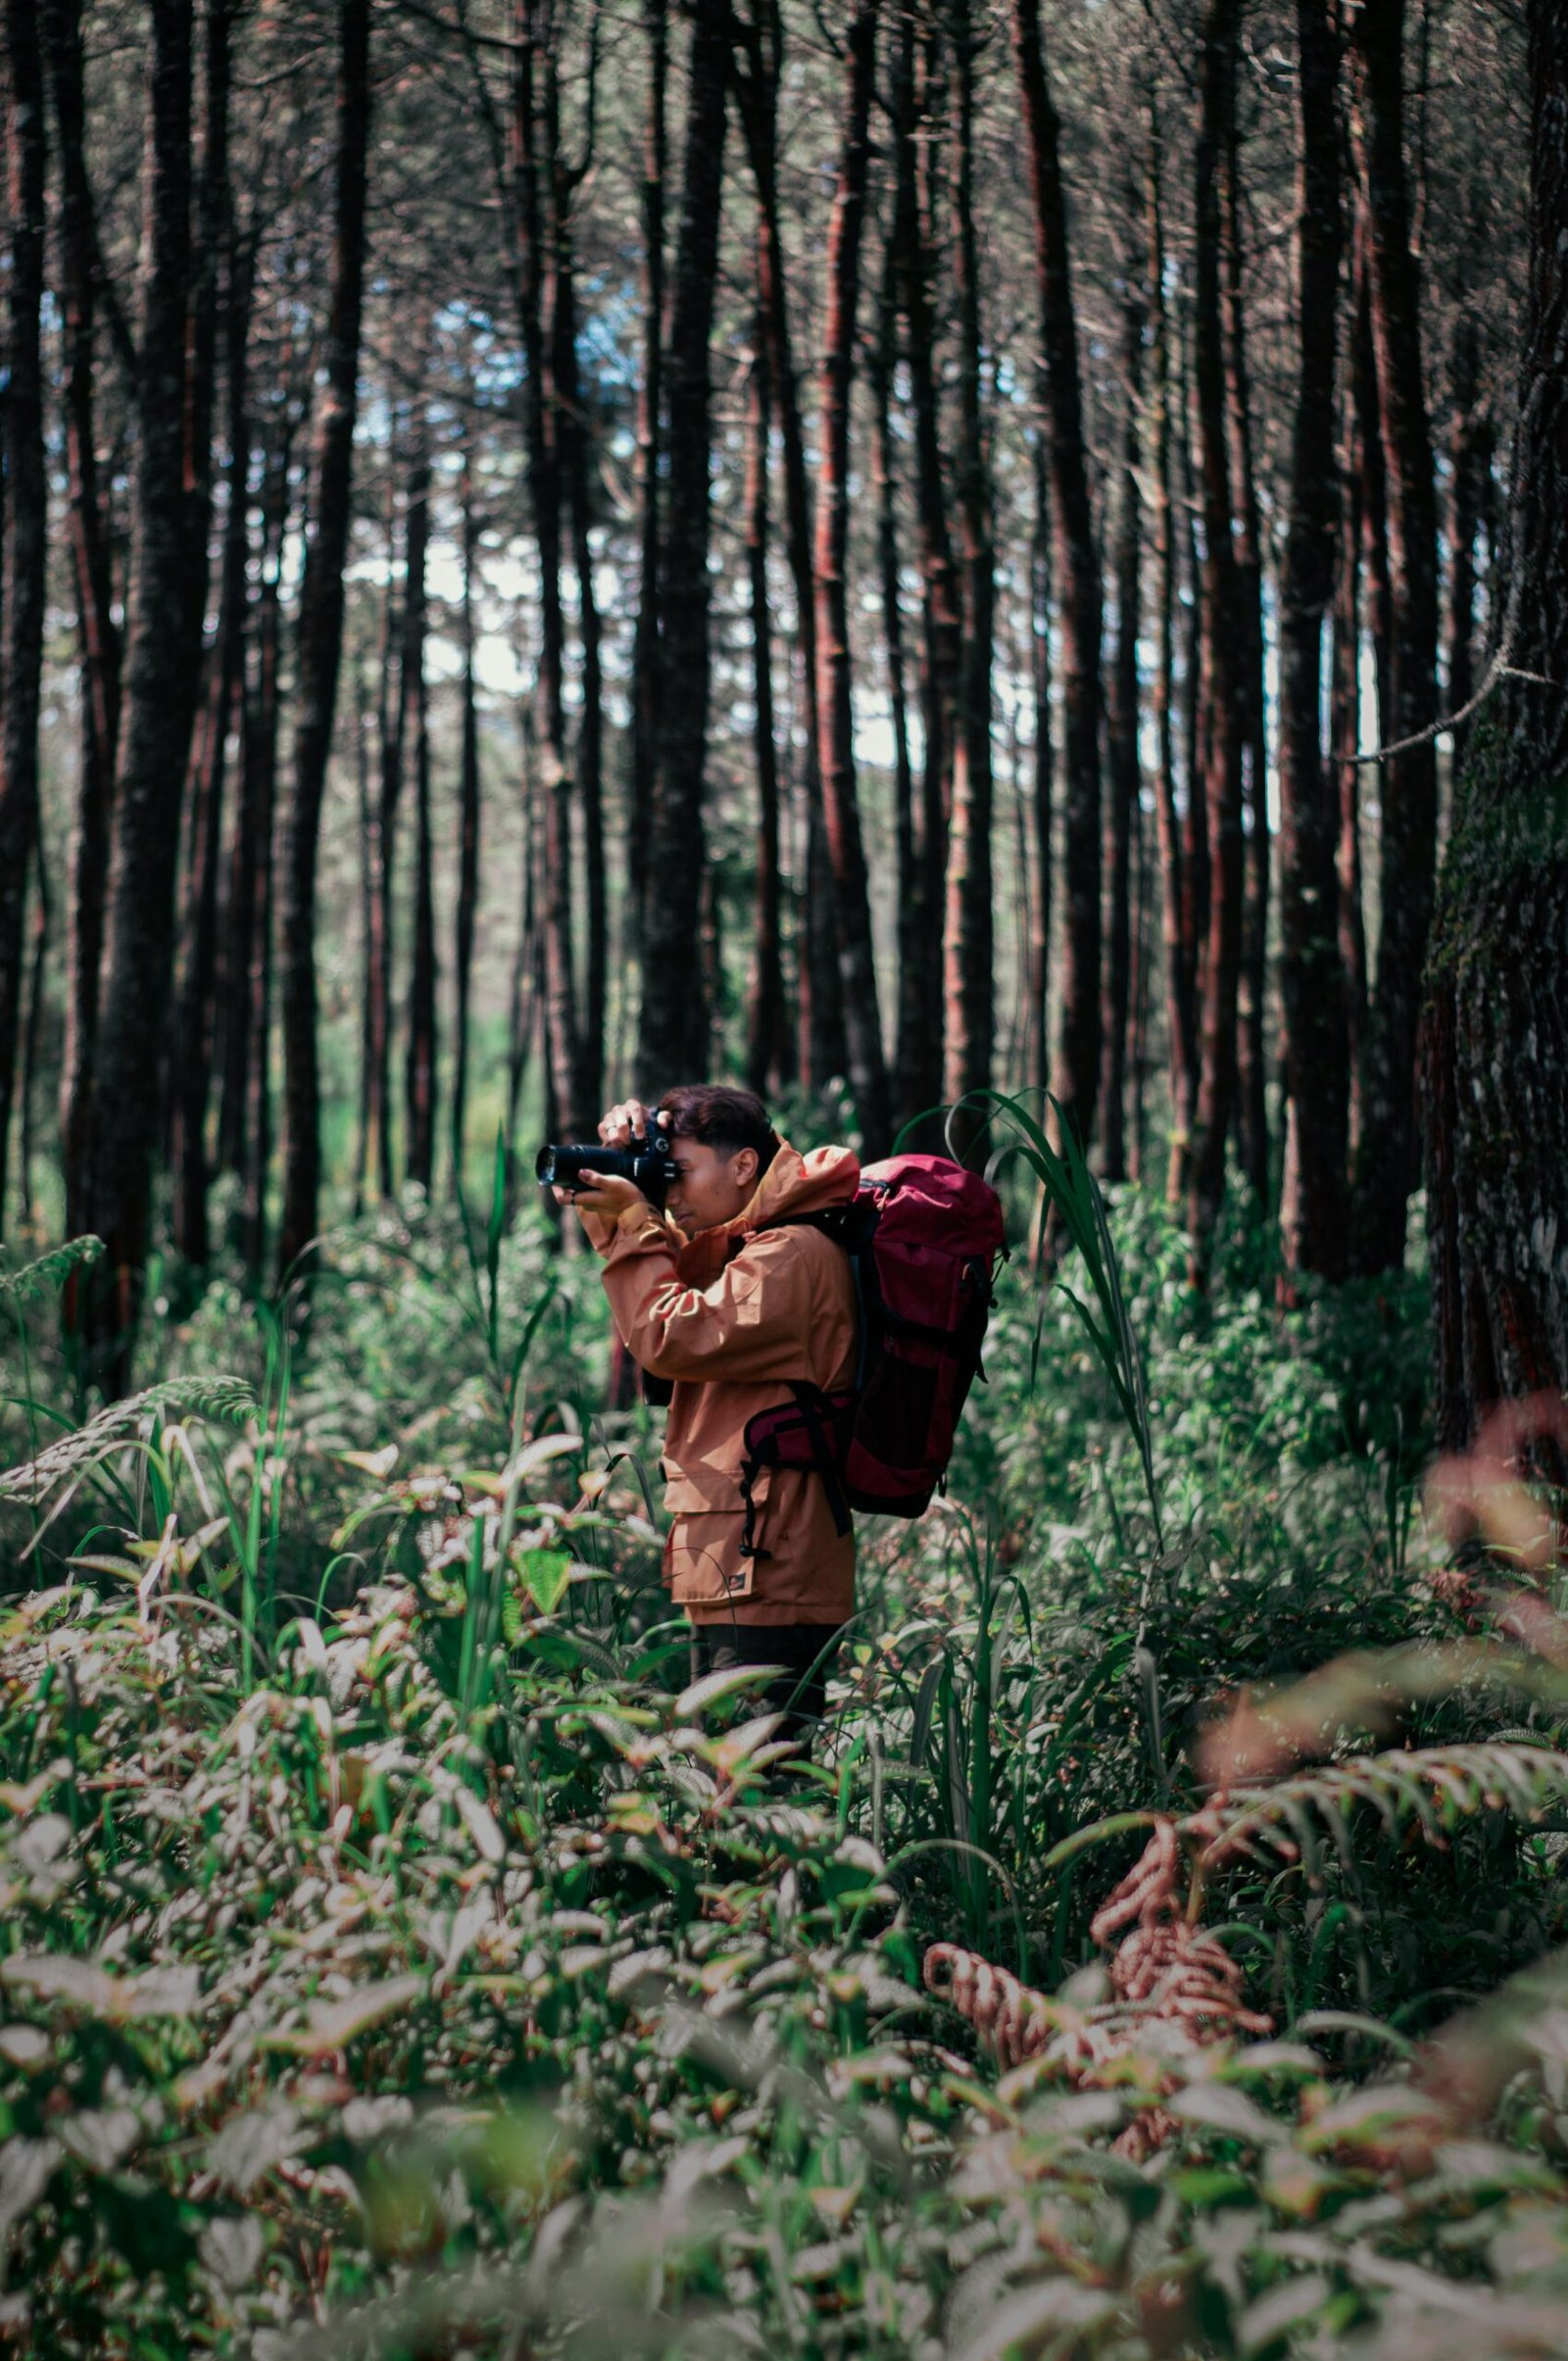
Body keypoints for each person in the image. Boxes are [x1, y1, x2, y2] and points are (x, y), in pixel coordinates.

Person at [555, 1084, 859, 1744]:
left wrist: (635, 1220)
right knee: (721, 1790)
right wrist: (615, 1188)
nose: (672, 1194)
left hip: (774, 1571)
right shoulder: (749, 1243)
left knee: (752, 1795)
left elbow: (672, 1335)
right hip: (738, 1560)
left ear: (744, 1165)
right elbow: (676, 1273)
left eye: (682, 1172)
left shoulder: (792, 1255)